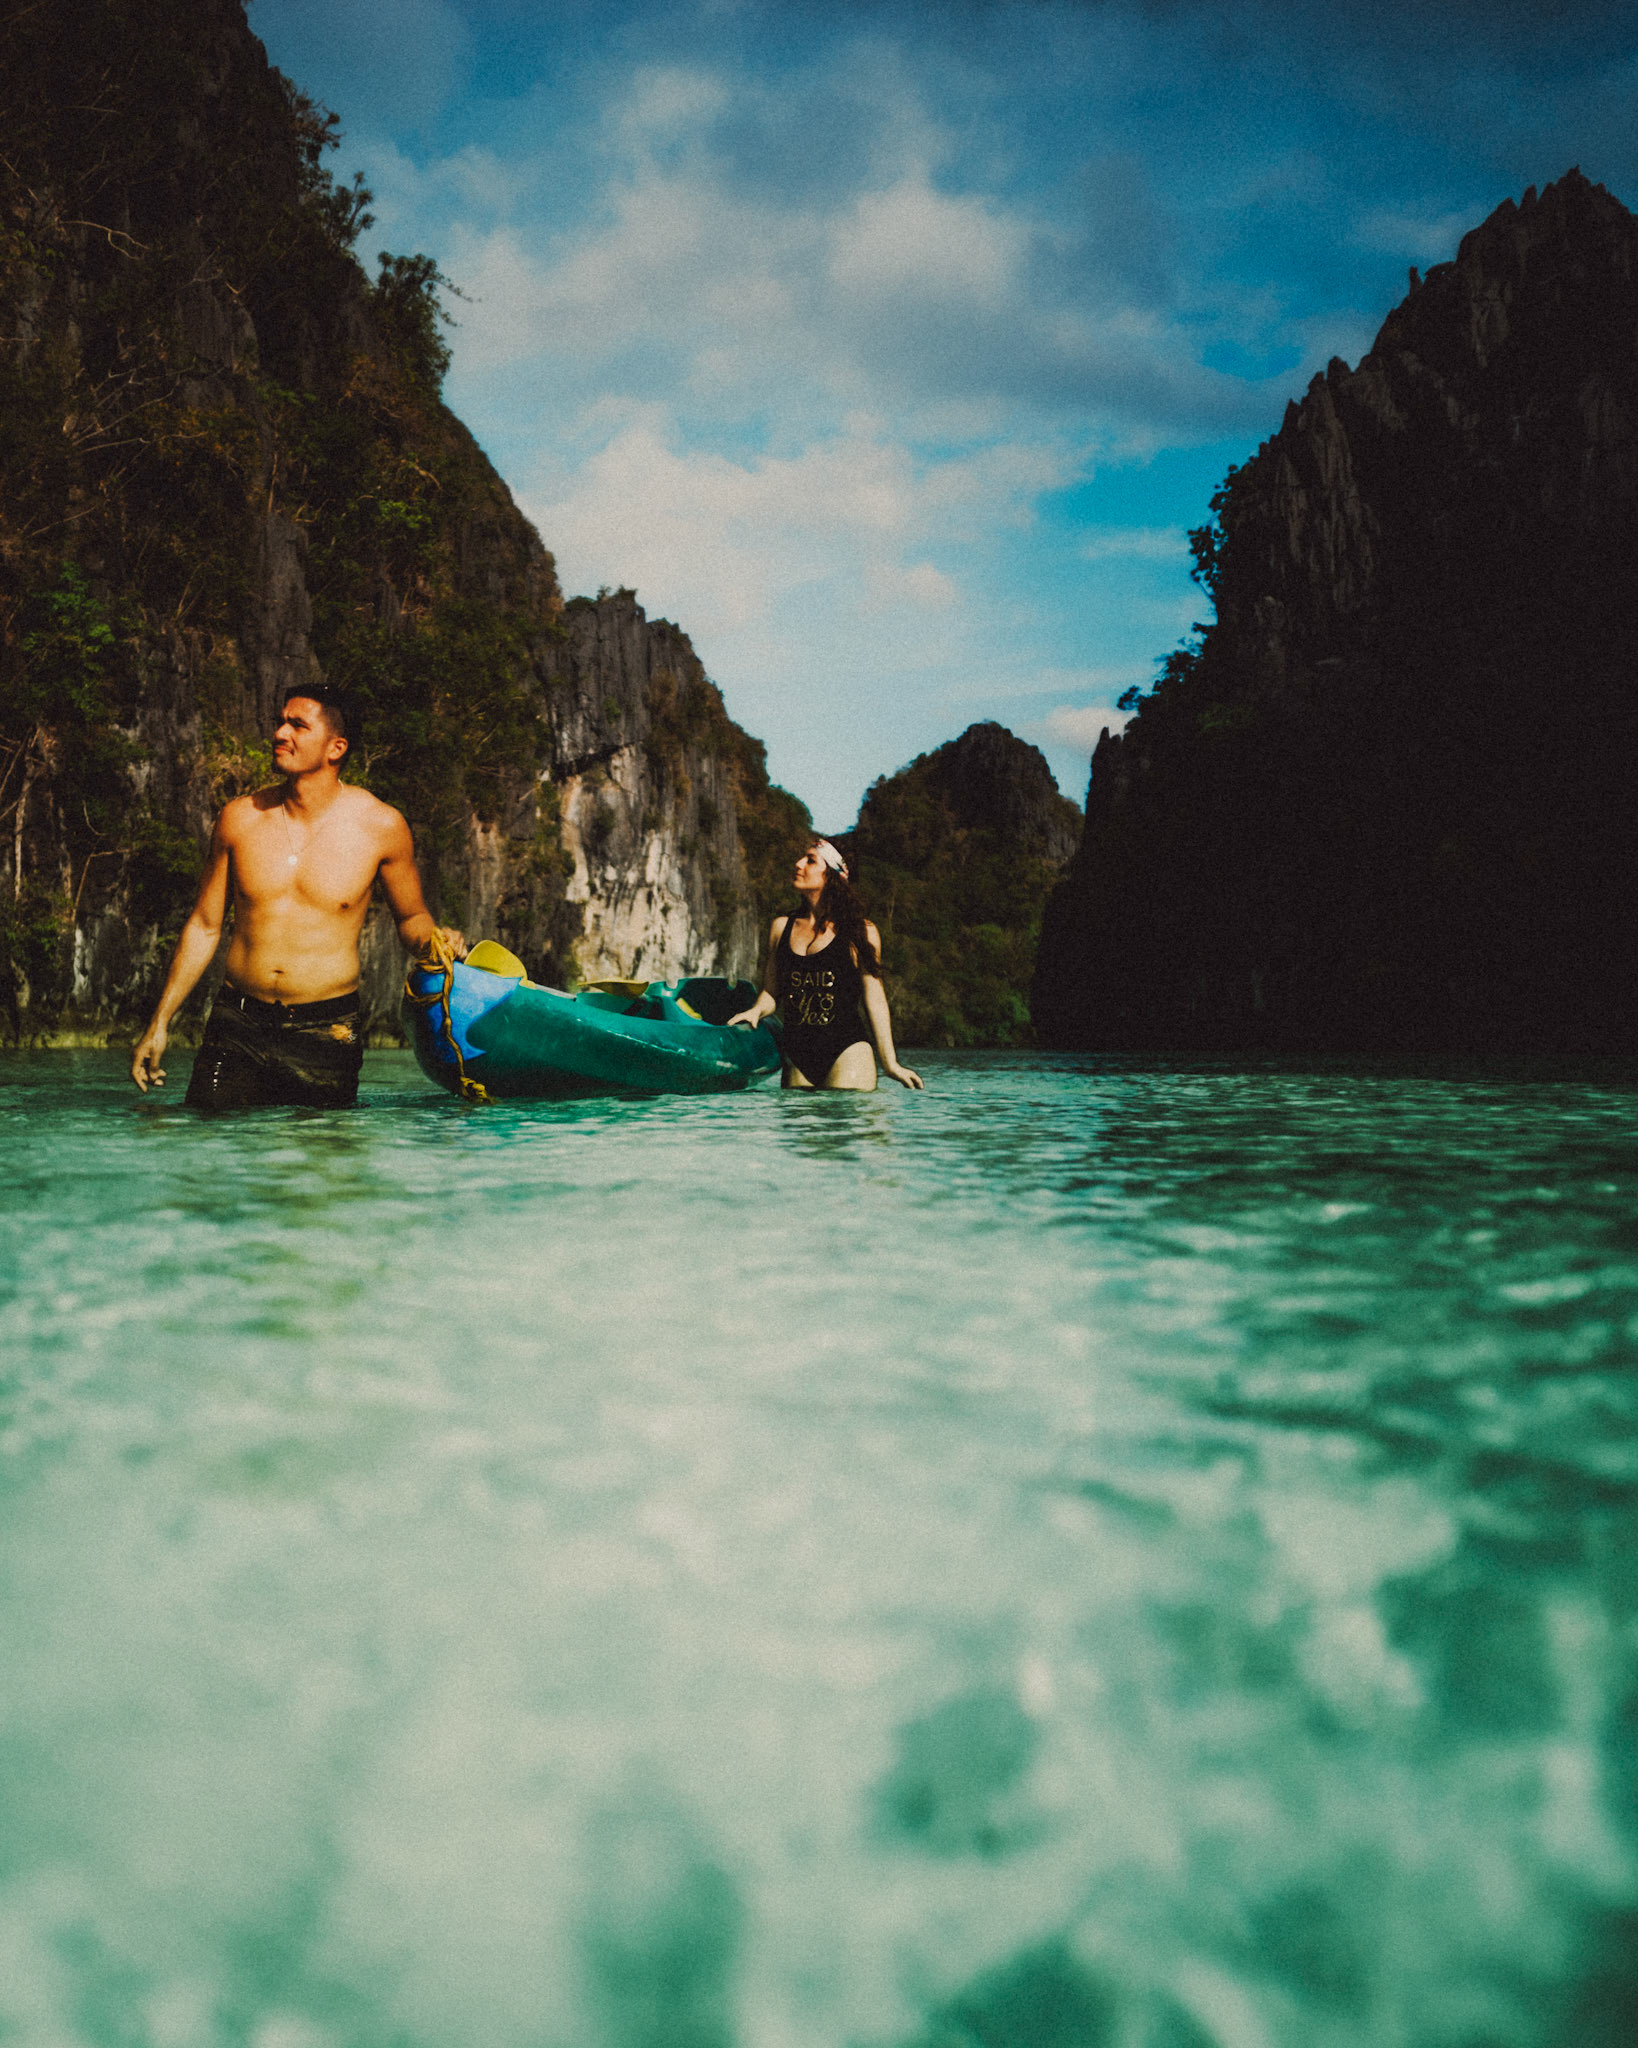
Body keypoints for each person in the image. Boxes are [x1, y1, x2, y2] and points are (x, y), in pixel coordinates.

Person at [130, 691, 465, 1109]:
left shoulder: (380, 826)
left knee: (318, 1166)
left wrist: (436, 941)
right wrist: (160, 1022)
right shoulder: (240, 818)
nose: (279, 733)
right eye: (280, 721)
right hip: (237, 1025)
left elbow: (411, 917)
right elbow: (204, 924)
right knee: (209, 1156)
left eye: (297, 725)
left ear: (336, 748)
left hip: (327, 1031)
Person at [728, 838, 922, 1091]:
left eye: (810, 860)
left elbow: (874, 999)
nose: (798, 864)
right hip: (797, 1058)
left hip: (847, 1053)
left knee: (844, 1132)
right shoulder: (780, 928)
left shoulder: (860, 932)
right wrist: (755, 1011)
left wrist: (890, 1064)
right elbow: (772, 992)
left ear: (831, 875)